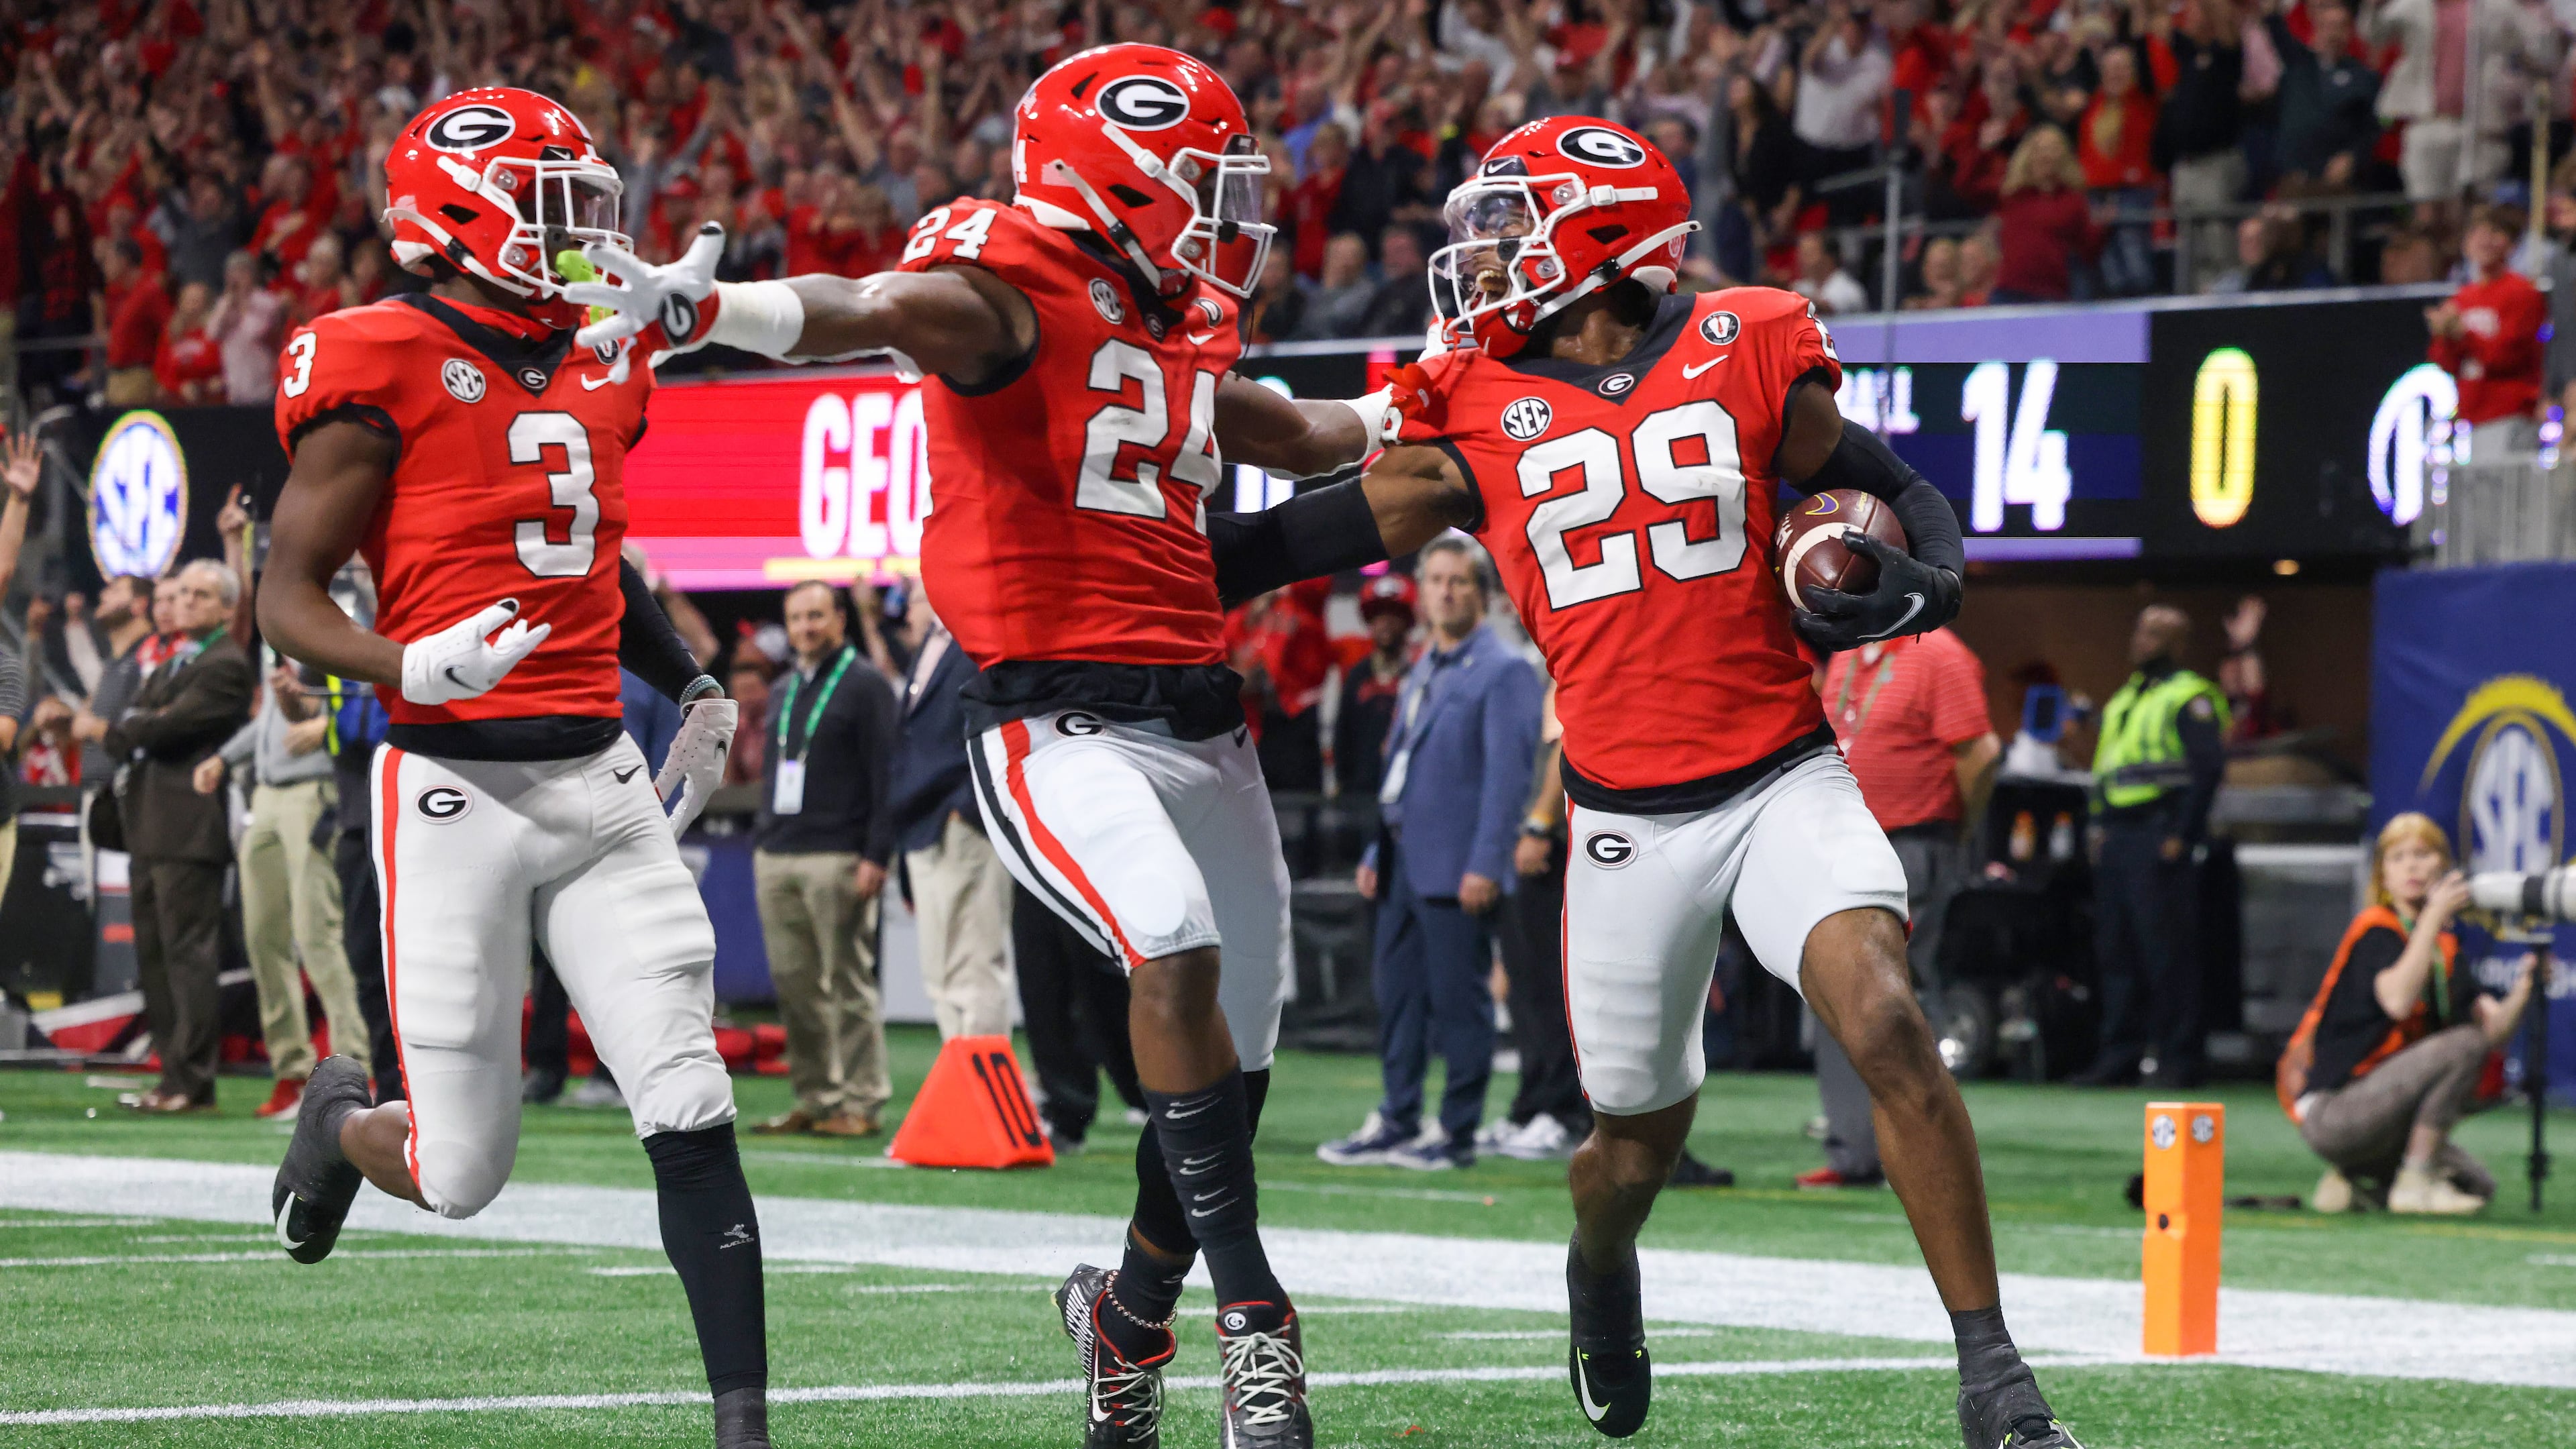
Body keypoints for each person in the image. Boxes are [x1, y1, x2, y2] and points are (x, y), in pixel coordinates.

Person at [569, 45, 1394, 1448]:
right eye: (1206, 180)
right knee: (1174, 951)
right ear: (1116, 176)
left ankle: (1126, 1322)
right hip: (1049, 715)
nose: (1232, 208)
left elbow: (1311, 429)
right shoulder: (1011, 285)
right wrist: (720, 306)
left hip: (1201, 714)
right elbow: (875, 306)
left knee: (1235, 1064)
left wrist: (1457, 391)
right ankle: (1257, 1324)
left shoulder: (1174, 318)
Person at [1340, 115, 2080, 1447]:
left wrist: (1933, 582)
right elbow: (1317, 527)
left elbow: (1893, 484)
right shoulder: (1471, 395)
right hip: (1624, 819)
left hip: (1783, 778)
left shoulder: (1744, 341)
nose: (1493, 253)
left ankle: (1997, 1382)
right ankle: (1600, 1266)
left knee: (1888, 1023)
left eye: (1523, 221)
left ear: (1602, 239)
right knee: (1632, 1147)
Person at [255, 89, 767, 1449]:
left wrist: (695, 680)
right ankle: (341, 1128)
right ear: (459, 218)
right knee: (462, 1169)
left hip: (599, 783)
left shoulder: (601, 355)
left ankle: (745, 1427)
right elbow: (285, 594)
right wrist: (404, 667)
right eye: (557, 210)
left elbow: (588, 548)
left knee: (689, 1096)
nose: (589, 236)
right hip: (450, 791)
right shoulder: (378, 358)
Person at [1320, 538, 1538, 1170]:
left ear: (1482, 594)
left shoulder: (1504, 670)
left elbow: (1508, 778)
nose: (1446, 591)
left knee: (1459, 1002)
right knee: (1400, 1000)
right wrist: (1375, 845)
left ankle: (1458, 1132)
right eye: (1436, 579)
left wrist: (1486, 862)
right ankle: (1397, 1116)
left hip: (1455, 866)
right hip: (1402, 860)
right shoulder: (1426, 664)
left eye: (1459, 581)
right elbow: (1402, 768)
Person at [1803, 627, 1998, 1189]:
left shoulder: (1938, 653)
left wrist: (1957, 832)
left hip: (1911, 842)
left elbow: (1980, 755)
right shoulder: (1847, 655)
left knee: (1901, 992)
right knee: (1830, 987)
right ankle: (1855, 1152)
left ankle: (1922, 1155)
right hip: (1842, 839)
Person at [2281, 813, 2542, 1215]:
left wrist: (2526, 987)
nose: (2412, 867)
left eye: (2422, 854)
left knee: (2476, 1185)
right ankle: (2414, 1179)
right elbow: (2398, 1001)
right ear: (2383, 875)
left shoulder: (2444, 946)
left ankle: (2353, 1185)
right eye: (2398, 858)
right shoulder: (2377, 930)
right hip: (2335, 1111)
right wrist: (2435, 916)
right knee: (2462, 1045)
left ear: (2443, 866)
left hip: (2385, 1114)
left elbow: (2491, 1033)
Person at [749, 581, 900, 1135]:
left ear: (840, 619)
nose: (805, 628)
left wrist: (876, 855)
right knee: (796, 987)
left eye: (816, 616)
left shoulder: (865, 686)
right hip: (779, 853)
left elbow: (887, 777)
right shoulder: (786, 686)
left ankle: (861, 1102)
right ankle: (816, 1098)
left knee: (847, 985)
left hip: (838, 854)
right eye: (796, 618)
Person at [105, 560, 255, 1114]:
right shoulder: (176, 657)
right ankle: (172, 1078)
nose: (186, 602)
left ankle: (194, 1082)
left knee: (188, 958)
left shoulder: (225, 664)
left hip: (190, 829)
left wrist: (141, 722)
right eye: (183, 592)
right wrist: (141, 722)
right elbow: (136, 722)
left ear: (225, 608)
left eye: (200, 594)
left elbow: (160, 726)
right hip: (148, 824)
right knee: (156, 958)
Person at [201, 653, 371, 1121]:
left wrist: (329, 724)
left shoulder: (338, 620)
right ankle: (291, 1071)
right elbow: (270, 722)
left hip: (316, 790)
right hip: (268, 796)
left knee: (318, 933)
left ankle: (356, 1068)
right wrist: (224, 756)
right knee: (262, 938)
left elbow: (375, 698)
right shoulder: (279, 638)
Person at [2076, 604, 2229, 1089]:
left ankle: (2179, 1060)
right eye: (2142, 630)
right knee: (2117, 953)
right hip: (2119, 837)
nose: (2144, 640)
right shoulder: (2126, 698)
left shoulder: (2191, 697)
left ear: (2178, 644)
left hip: (2159, 832)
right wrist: (2099, 827)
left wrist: (2183, 835)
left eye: (2158, 633)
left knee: (2167, 954)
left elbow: (2207, 772)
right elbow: (2108, 767)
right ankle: (2119, 1056)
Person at [890, 591, 1017, 1042]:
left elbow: (996, 723)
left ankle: (986, 1098)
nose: (907, 611)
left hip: (961, 821)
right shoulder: (931, 646)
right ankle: (963, 1090)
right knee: (941, 974)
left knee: (975, 966)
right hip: (923, 824)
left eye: (915, 600)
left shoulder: (980, 638)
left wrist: (966, 810)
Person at [1482, 682, 1591, 1161]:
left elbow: (1566, 744)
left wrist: (1541, 822)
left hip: (1558, 844)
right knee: (1529, 986)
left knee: (1552, 987)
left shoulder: (1568, 657)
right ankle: (1532, 1106)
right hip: (1538, 846)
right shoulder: (1539, 667)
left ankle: (1562, 1111)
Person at [2427, 204, 2546, 460]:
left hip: (2509, 414)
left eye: (2495, 232)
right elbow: (2444, 363)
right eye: (2477, 232)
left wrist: (2461, 335)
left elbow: (2507, 356)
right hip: (2470, 416)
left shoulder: (2522, 293)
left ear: (2512, 244)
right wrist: (2445, 335)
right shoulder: (2462, 297)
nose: (2485, 240)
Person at [1333, 573, 1415, 798]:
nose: (1386, 623)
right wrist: (1344, 783)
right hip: (1360, 794)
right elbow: (1343, 732)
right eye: (1379, 615)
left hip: (1407, 793)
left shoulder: (1420, 673)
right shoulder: (1358, 675)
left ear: (1407, 621)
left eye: (1394, 614)